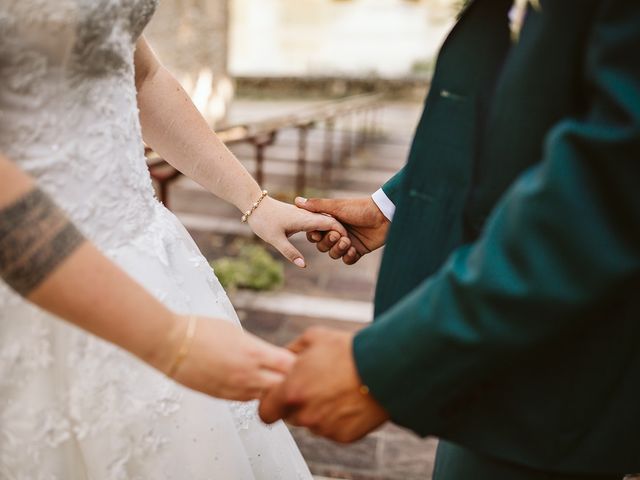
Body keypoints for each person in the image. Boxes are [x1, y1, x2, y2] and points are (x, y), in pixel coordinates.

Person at [259, 1, 640, 479]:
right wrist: (390, 208)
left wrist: (384, 365)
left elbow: (608, 187)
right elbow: (541, 110)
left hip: (562, 370)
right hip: (510, 359)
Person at [0, 0, 347, 478]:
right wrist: (170, 342)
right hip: (33, 280)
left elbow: (141, 76)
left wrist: (255, 201)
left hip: (153, 259)